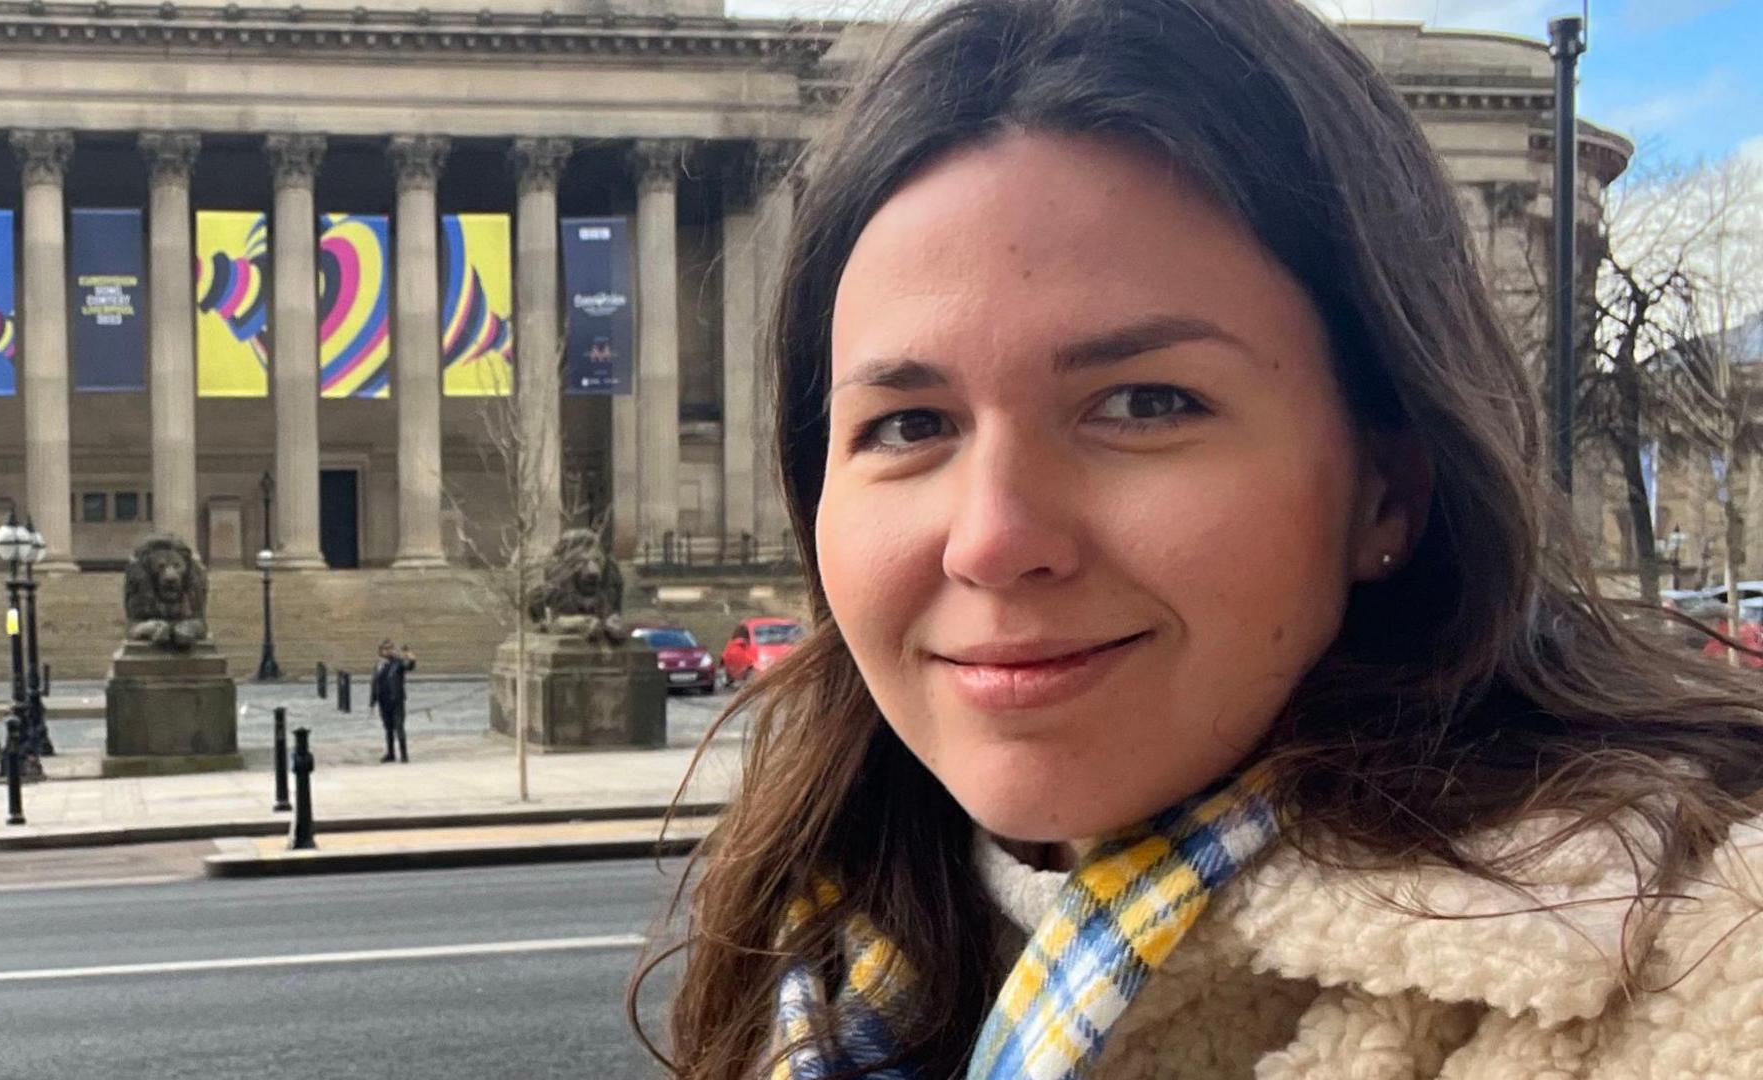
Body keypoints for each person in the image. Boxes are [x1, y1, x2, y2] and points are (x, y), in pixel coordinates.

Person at [632, 0, 1763, 1076]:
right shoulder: (821, 966)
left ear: (1390, 486)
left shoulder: (1717, 962)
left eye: (1144, 404)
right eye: (909, 425)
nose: (992, 539)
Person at [370, 639, 415, 763]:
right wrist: (373, 700)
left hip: (396, 700)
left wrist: (410, 658)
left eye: (390, 648)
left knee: (399, 726)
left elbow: (409, 666)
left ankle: (404, 755)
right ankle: (391, 753)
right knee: (388, 728)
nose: (388, 650)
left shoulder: (398, 663)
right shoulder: (378, 665)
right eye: (385, 648)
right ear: (380, 651)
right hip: (383, 701)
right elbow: (374, 683)